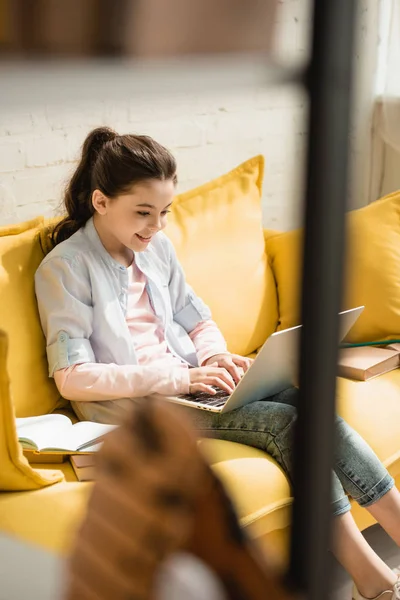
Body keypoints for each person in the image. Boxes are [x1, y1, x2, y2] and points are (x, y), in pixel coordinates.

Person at [36, 126, 400, 600]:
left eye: (164, 212)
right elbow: (73, 379)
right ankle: (373, 579)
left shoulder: (157, 249)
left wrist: (214, 356)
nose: (157, 226)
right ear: (100, 202)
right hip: (140, 407)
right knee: (286, 425)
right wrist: (183, 377)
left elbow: (196, 316)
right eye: (143, 213)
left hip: (192, 384)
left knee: (313, 407)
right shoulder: (64, 269)